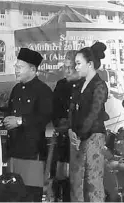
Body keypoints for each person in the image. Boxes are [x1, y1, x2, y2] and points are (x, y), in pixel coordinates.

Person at [2, 48, 53, 202]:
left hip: (32, 151)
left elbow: (44, 117)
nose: (16, 70)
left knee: (30, 193)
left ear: (33, 69)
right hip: (14, 148)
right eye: (16, 66)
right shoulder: (16, 89)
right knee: (13, 191)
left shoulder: (43, 90)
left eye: (20, 67)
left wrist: (19, 121)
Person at [69, 42, 108, 202]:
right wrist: (71, 130)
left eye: (78, 63)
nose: (76, 67)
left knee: (93, 180)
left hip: (94, 136)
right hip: (77, 137)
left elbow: (94, 113)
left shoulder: (99, 85)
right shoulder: (78, 85)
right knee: (76, 181)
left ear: (90, 64)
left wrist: (80, 134)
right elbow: (72, 109)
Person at [51, 50, 78, 202]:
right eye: (65, 67)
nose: (67, 71)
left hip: (80, 139)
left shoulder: (86, 86)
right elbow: (54, 110)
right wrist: (59, 123)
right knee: (60, 176)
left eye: (71, 67)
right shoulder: (61, 85)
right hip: (63, 138)